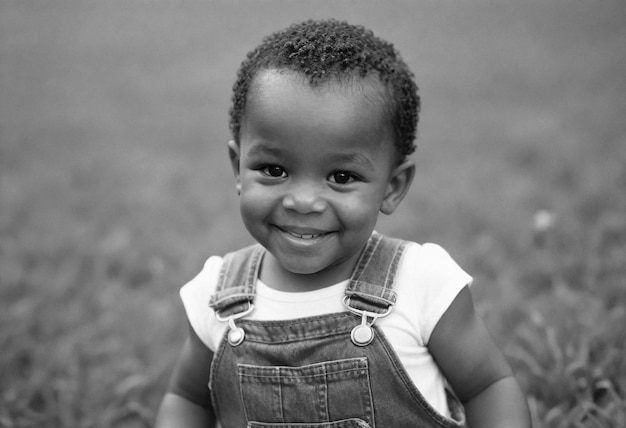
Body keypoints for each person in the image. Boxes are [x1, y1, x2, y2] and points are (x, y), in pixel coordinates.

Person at [155, 19, 531, 428]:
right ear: (238, 168)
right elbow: (187, 399)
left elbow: (488, 386)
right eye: (273, 169)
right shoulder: (217, 296)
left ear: (393, 186)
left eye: (341, 177)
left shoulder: (420, 283)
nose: (302, 201)